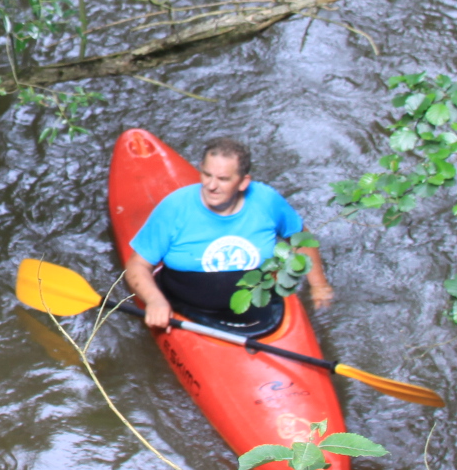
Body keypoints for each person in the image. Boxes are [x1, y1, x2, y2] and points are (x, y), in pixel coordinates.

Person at [124, 136, 332, 334]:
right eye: (207, 175)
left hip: (261, 312)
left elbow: (301, 239)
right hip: (188, 309)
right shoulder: (174, 208)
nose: (211, 186)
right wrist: (155, 301)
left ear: (243, 182)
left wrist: (318, 285)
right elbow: (137, 265)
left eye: (223, 179)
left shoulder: (267, 201)